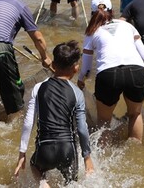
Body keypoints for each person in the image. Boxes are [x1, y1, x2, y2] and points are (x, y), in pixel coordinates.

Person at [15, 40, 95, 186]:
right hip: (68, 151)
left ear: (53, 65)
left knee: (35, 166)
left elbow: (28, 123)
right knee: (71, 183)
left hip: (44, 150)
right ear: (76, 68)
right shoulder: (77, 93)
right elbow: (82, 129)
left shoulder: (39, 88)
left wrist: (22, 152)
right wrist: (87, 157)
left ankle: (43, 183)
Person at [77, 0, 144, 143]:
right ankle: (135, 152)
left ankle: (105, 159)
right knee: (135, 114)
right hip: (136, 71)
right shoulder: (128, 26)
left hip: (109, 75)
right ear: (112, 11)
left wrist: (80, 80)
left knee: (104, 120)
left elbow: (86, 67)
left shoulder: (92, 32)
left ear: (92, 13)